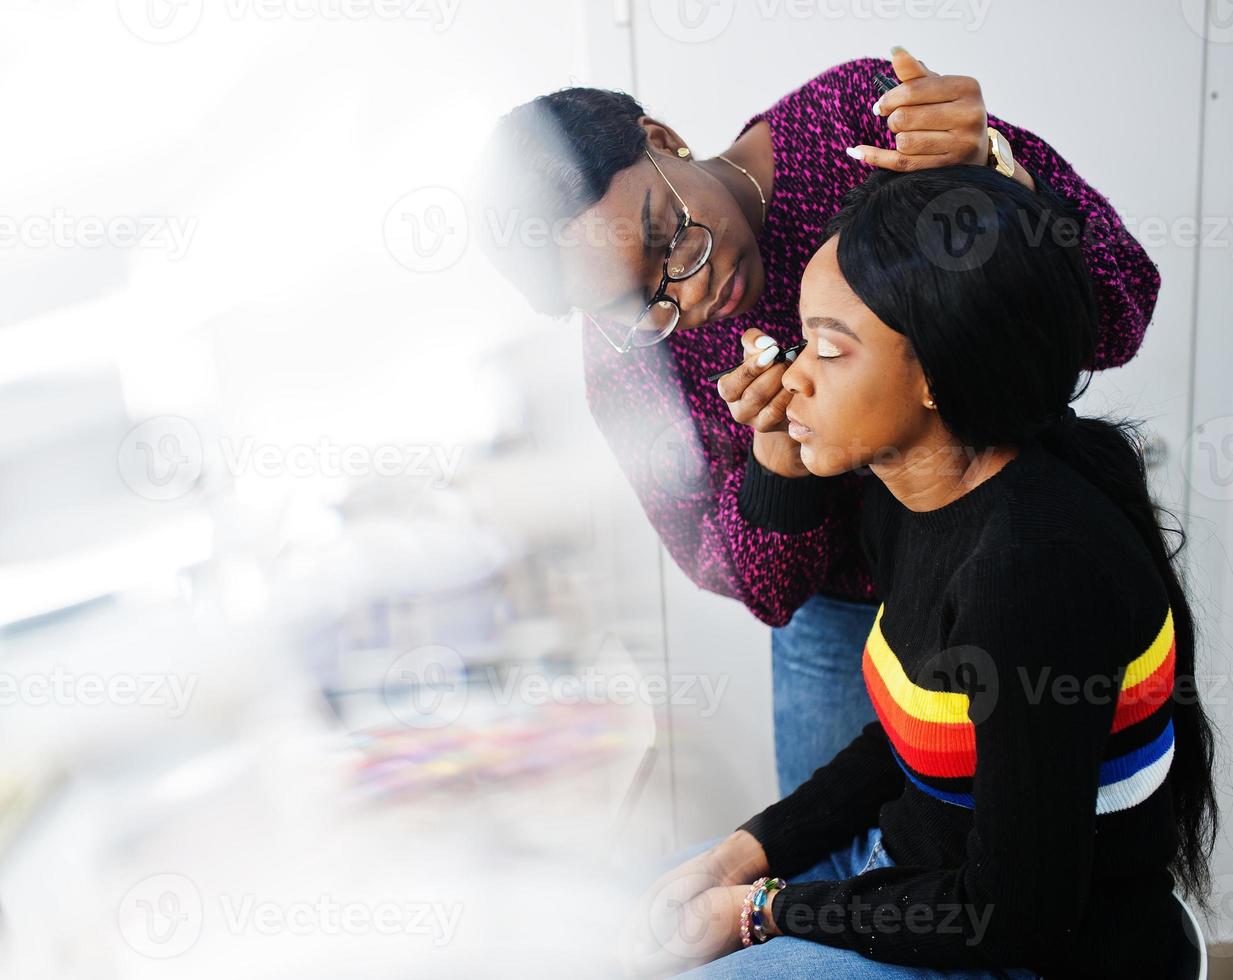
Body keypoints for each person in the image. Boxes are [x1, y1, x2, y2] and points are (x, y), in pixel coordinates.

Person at [476, 49, 1161, 794]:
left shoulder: (856, 131)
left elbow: (1117, 312)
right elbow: (761, 590)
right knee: (827, 855)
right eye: (640, 303)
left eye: (667, 236)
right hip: (846, 617)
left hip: (1012, 563)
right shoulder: (626, 366)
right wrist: (776, 461)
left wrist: (1000, 176)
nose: (693, 291)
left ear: (664, 140)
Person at [624, 166, 1216, 979]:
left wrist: (764, 911)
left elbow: (1010, 917)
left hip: (1026, 948)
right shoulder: (908, 495)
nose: (791, 376)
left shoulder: (1029, 573)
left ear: (939, 371)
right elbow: (911, 738)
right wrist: (741, 855)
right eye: (801, 340)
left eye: (829, 351)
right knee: (624, 912)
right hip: (908, 872)